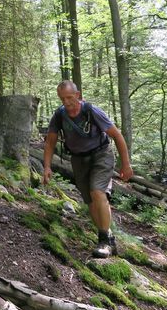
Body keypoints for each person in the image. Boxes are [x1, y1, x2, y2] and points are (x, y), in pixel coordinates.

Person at [42, 80, 133, 258]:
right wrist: (46, 166)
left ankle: (104, 241)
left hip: (101, 155)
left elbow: (117, 135)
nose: (67, 102)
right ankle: (108, 237)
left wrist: (126, 164)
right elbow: (51, 141)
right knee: (90, 201)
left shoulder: (91, 111)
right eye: (62, 98)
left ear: (77, 95)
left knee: (98, 192)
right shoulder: (59, 115)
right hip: (78, 159)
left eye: (69, 97)